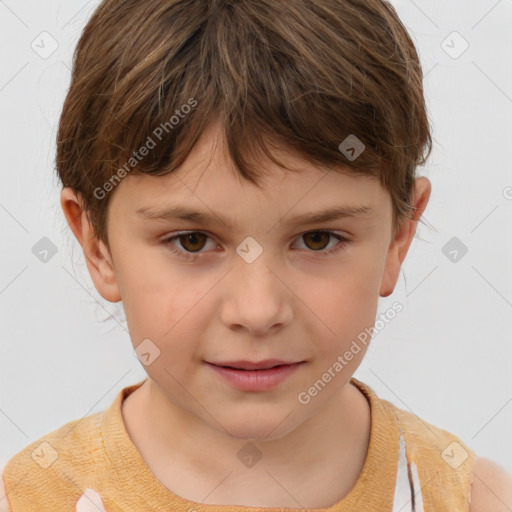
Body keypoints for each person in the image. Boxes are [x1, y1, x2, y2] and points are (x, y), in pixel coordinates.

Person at [2, 0, 511, 510]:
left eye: (318, 239)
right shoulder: (29, 498)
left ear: (399, 235)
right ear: (98, 247)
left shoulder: (470, 499)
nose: (258, 310)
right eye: (192, 241)